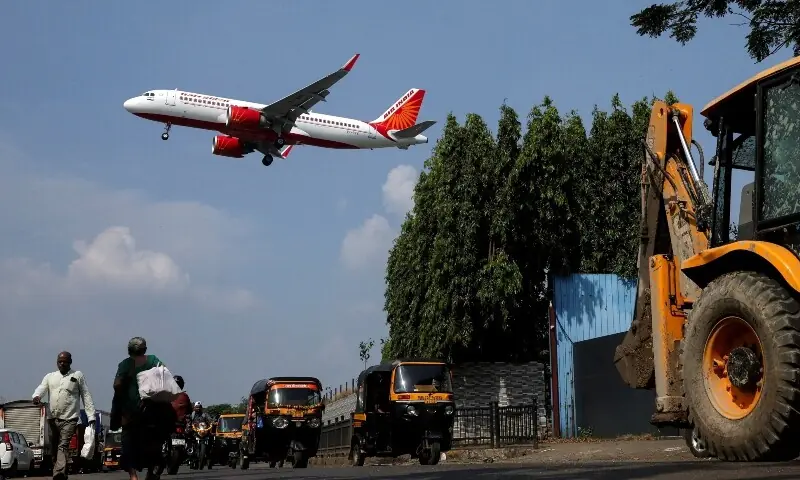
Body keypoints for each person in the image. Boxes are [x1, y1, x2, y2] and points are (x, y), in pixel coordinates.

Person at [112, 337, 176, 480]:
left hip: (131, 413)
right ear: (145, 349)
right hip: (152, 410)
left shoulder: (125, 364)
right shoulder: (153, 360)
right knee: (158, 439)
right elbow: (165, 375)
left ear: (129, 350)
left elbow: (116, 385)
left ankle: (133, 475)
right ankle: (151, 471)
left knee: (127, 445)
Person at [32, 351, 96, 480]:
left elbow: (86, 395)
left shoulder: (77, 376)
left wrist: (91, 416)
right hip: (52, 418)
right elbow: (41, 388)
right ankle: (61, 471)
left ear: (70, 362)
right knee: (54, 447)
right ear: (56, 362)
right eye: (60, 361)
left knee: (63, 444)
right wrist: (36, 396)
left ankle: (58, 473)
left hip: (70, 418)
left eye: (65, 361)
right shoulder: (50, 376)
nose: (62, 363)